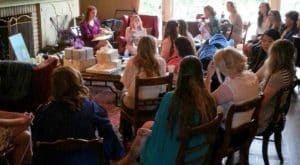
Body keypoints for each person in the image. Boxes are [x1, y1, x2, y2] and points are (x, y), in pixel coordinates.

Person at [32, 66, 125, 163]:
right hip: (87, 161)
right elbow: (110, 137)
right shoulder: (93, 109)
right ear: (79, 83)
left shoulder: (43, 111)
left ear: (53, 86)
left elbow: (36, 143)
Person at [139, 56, 216, 164]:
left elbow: (159, 134)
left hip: (172, 158)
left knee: (142, 137)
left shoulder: (171, 99)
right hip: (198, 155)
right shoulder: (208, 99)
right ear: (200, 74)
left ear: (180, 74)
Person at [205, 47, 259, 128]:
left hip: (229, 131)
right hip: (247, 124)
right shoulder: (252, 76)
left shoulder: (230, 86)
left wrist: (209, 76)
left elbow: (207, 103)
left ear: (224, 67)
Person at [256, 39, 295, 134]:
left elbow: (262, 102)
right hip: (271, 111)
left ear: (277, 56)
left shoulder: (278, 76)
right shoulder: (287, 69)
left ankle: (235, 143)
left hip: (265, 117)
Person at [121, 35, 166, 110]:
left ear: (139, 48)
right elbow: (163, 88)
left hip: (134, 104)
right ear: (154, 48)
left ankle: (127, 121)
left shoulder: (132, 61)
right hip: (154, 104)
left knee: (122, 94)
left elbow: (125, 83)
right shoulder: (161, 62)